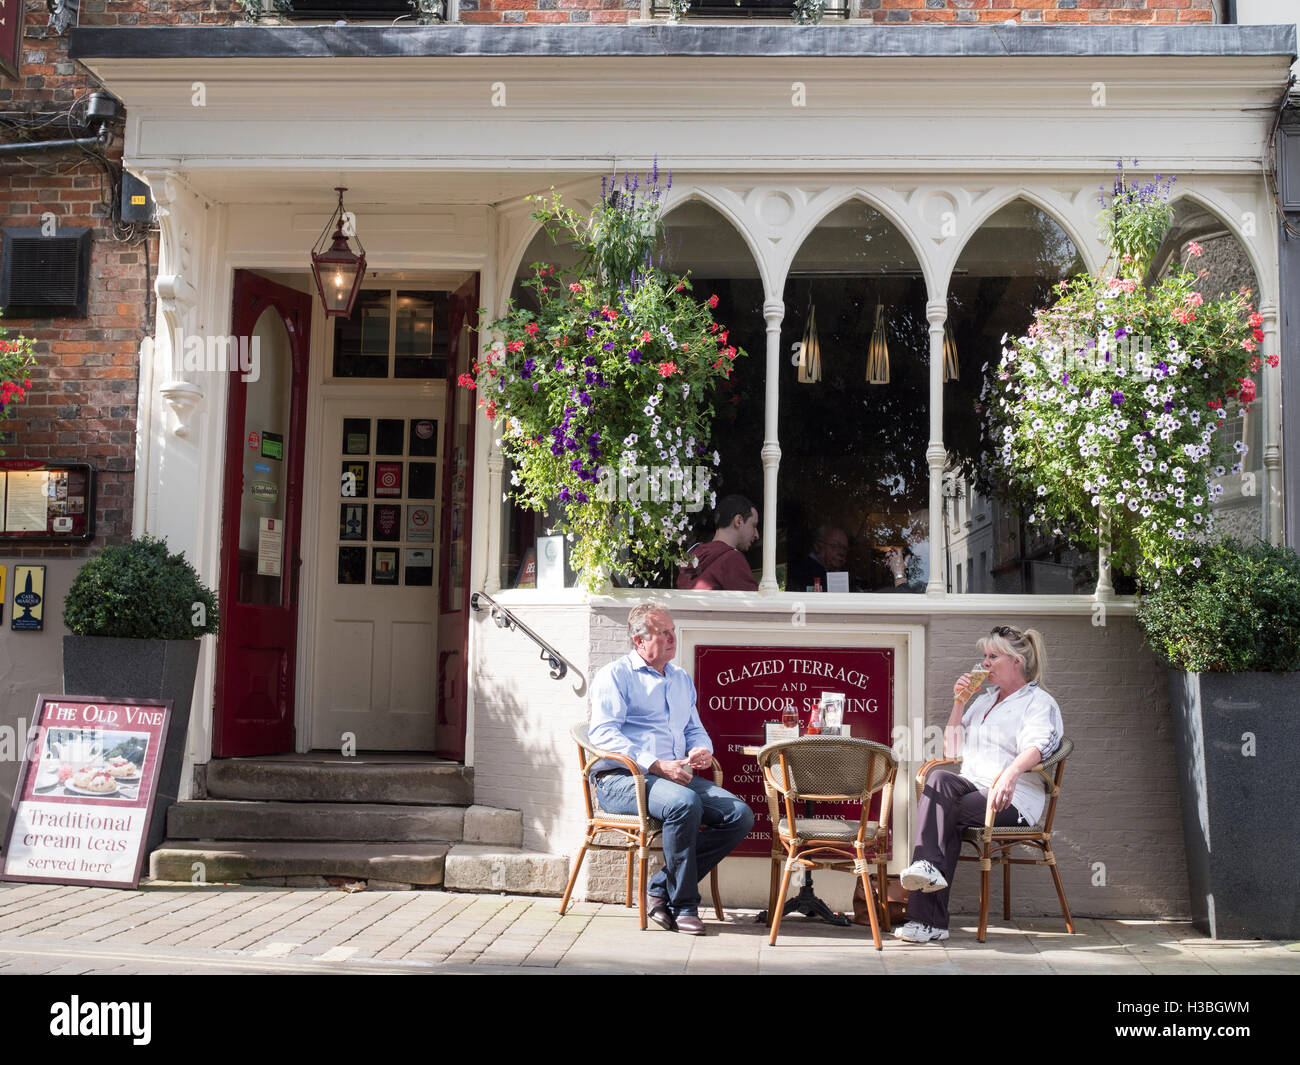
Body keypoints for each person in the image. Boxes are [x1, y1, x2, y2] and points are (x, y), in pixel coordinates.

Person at [588, 602, 755, 934]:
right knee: (684, 803)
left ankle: (659, 888)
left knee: (740, 815)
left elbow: (693, 727)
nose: (671, 638)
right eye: (662, 633)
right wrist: (654, 764)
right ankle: (684, 905)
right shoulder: (615, 676)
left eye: (672, 631)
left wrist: (701, 748)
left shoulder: (680, 679)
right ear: (638, 641)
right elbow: (603, 734)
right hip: (622, 780)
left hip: (674, 776)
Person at [894, 625, 1063, 943]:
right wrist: (959, 702)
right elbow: (951, 752)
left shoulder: (1038, 703)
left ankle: (926, 919)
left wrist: (1010, 775)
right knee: (940, 778)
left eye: (993, 656)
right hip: (973, 788)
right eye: (984, 656)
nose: (985, 663)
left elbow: (1038, 746)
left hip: (1013, 799)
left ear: (1016, 661)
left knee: (947, 811)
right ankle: (928, 872)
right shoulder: (984, 701)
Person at [676, 494, 760, 591]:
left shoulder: (693, 556)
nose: (756, 535)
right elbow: (754, 604)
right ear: (738, 521)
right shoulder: (732, 559)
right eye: (753, 526)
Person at [786, 525, 848, 592]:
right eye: (835, 546)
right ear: (817, 546)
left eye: (844, 548)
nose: (841, 552)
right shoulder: (806, 570)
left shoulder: (826, 571)